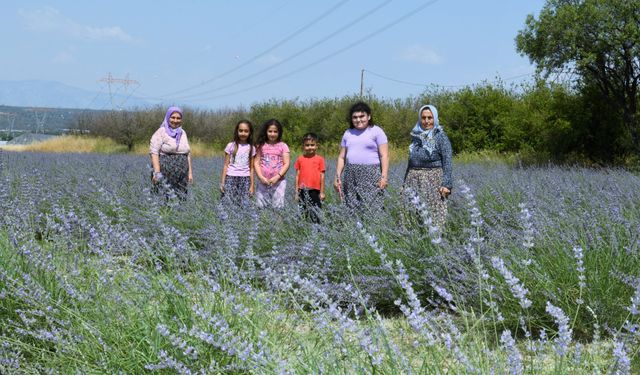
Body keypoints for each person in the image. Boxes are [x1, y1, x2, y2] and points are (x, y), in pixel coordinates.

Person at [333, 101, 389, 211]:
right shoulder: (348, 133)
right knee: (351, 208)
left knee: (373, 209)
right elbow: (341, 157)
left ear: (369, 116)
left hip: (371, 174)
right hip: (350, 174)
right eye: (355, 117)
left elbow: (384, 155)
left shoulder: (377, 131)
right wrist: (337, 176)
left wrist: (384, 176)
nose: (358, 120)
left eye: (362, 116)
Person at [403, 104, 452, 229]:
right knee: (410, 214)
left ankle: (434, 245)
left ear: (434, 118)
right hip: (413, 180)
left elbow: (447, 160)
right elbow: (411, 160)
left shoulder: (440, 136)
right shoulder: (416, 136)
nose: (426, 121)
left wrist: (446, 184)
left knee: (434, 216)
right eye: (423, 118)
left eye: (430, 118)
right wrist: (404, 184)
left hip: (433, 180)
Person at [150, 106, 193, 199]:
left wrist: (189, 173)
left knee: (181, 198)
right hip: (165, 172)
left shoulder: (182, 133)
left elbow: (187, 153)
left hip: (182, 173)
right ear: (168, 117)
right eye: (173, 117)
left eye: (178, 118)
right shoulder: (161, 132)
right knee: (163, 197)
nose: (175, 120)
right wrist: (157, 172)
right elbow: (154, 152)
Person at [254, 119, 290, 208]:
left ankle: (278, 222)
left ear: (279, 133)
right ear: (266, 131)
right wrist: (260, 177)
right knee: (261, 206)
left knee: (278, 207)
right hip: (263, 181)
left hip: (279, 182)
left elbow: (286, 163)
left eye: (275, 132)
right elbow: (256, 162)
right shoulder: (260, 145)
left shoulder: (283, 146)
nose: (272, 134)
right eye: (270, 131)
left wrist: (277, 177)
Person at [219, 120, 255, 206]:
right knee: (227, 201)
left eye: (246, 131)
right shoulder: (230, 145)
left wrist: (252, 185)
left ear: (250, 133)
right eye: (241, 130)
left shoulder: (251, 148)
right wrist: (222, 182)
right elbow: (225, 165)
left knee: (244, 203)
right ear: (237, 131)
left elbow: (252, 168)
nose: (243, 133)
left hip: (245, 178)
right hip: (231, 177)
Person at [294, 132, 326, 223]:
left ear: (317, 146)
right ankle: (302, 228)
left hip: (315, 191)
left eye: (312, 145)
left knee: (316, 212)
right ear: (303, 146)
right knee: (302, 212)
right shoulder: (300, 159)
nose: (310, 147)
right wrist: (296, 192)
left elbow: (322, 176)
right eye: (307, 145)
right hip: (302, 190)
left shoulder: (320, 159)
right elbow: (297, 176)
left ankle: (317, 229)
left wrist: (322, 192)